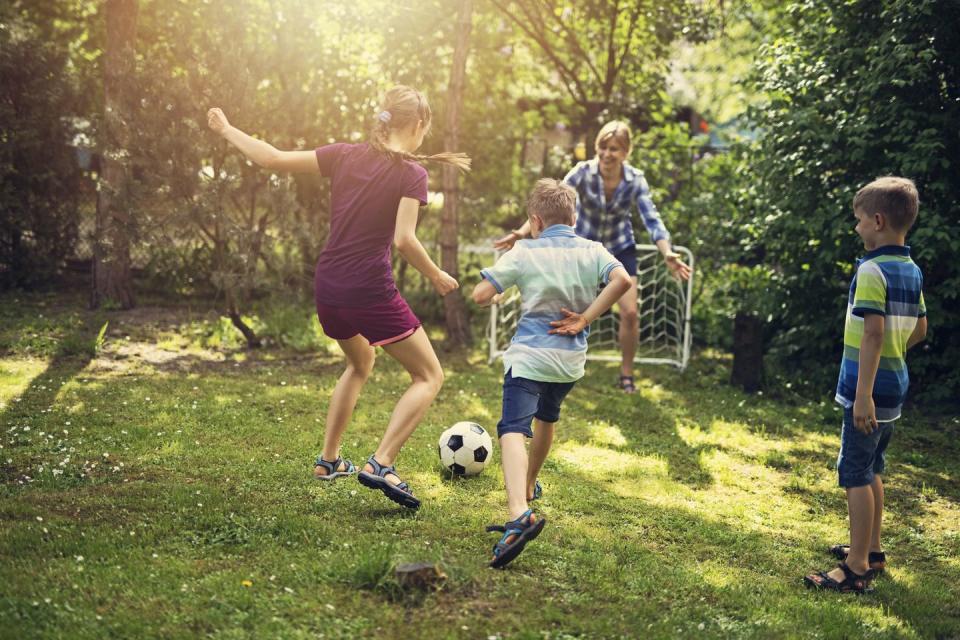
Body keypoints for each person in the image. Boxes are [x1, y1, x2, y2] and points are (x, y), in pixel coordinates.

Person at [207, 86, 470, 510]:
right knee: (429, 376)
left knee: (360, 362)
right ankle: (381, 463)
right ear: (418, 125)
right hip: (367, 289)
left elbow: (272, 157)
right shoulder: (412, 174)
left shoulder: (345, 154)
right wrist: (437, 274)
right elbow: (404, 239)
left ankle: (329, 461)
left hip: (328, 286)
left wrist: (227, 130)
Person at [472, 179, 632, 568]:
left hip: (529, 358)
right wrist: (585, 318)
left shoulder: (525, 250)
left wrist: (496, 292)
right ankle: (528, 483)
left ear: (535, 220)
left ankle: (517, 513)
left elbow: (479, 295)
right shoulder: (593, 250)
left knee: (512, 429)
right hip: (569, 364)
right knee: (547, 417)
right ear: (574, 217)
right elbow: (623, 280)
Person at [495, 121, 691, 394]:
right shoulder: (582, 173)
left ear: (625, 152)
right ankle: (551, 370)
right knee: (559, 305)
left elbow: (652, 219)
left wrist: (667, 251)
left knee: (631, 312)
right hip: (581, 248)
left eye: (614, 149)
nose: (606, 153)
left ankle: (626, 374)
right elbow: (553, 201)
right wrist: (522, 232)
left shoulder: (635, 180)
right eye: (602, 147)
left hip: (620, 247)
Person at [804, 177, 927, 593]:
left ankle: (856, 568)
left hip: (867, 390)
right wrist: (894, 353)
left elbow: (873, 334)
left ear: (877, 221)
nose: (856, 228)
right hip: (894, 385)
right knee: (873, 466)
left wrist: (862, 396)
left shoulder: (872, 270)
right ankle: (872, 549)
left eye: (858, 221)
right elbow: (919, 329)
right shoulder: (911, 269)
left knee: (854, 471)